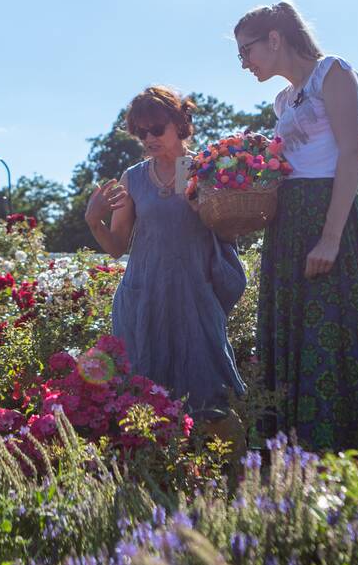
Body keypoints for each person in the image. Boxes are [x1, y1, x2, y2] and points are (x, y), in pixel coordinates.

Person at [235, 1, 358, 451]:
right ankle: (297, 451)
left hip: (328, 215)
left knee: (335, 328)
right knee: (295, 331)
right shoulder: (284, 100)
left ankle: (350, 449)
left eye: (246, 51)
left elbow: (353, 152)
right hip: (288, 223)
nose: (244, 63)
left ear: (275, 39)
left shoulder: (331, 73)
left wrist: (331, 237)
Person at [84, 86, 247, 430]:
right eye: (141, 132)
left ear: (179, 124)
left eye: (156, 129)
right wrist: (94, 221)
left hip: (193, 296)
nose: (149, 138)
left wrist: (203, 206)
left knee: (207, 396)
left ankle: (218, 460)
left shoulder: (201, 168)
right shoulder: (133, 178)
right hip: (145, 298)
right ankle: (155, 459)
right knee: (144, 397)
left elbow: (229, 232)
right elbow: (117, 246)